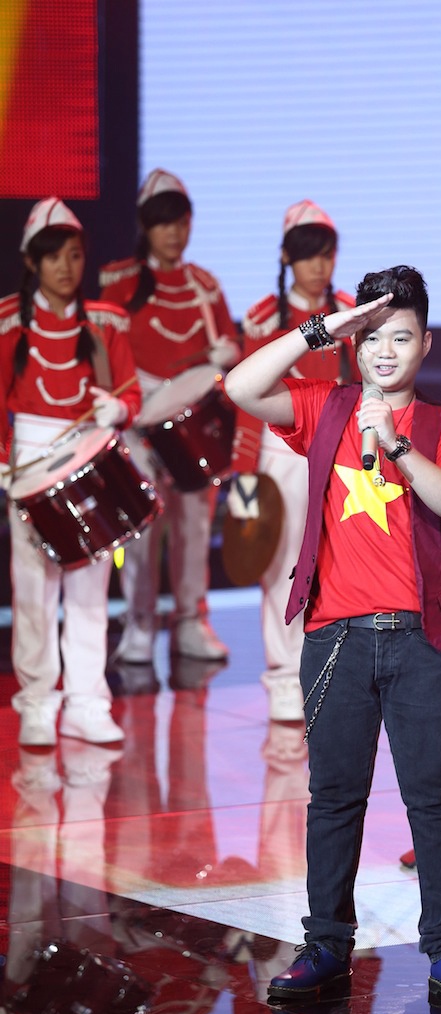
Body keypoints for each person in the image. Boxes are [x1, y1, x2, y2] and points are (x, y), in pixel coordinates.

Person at [225, 265, 441, 1009]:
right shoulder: (325, 406)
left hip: (422, 640)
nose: (384, 352)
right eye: (371, 337)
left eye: (400, 337)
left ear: (425, 344)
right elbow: (241, 387)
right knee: (334, 799)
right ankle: (325, 945)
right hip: (336, 639)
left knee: (434, 801)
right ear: (353, 342)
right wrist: (317, 331)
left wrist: (396, 446)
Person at [0, 198, 141, 746]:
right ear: (31, 261)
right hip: (30, 458)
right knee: (34, 589)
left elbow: (130, 392)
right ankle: (38, 703)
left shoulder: (105, 322)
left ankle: (87, 703)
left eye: (75, 255)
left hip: (90, 455)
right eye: (54, 256)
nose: (66, 267)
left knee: (89, 588)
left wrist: (118, 409)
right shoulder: (8, 321)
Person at [99, 168, 240, 664]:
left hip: (190, 429)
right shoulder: (117, 281)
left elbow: (228, 345)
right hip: (136, 423)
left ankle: (190, 622)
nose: (174, 233)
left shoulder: (204, 286)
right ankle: (138, 624)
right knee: (140, 530)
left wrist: (227, 353)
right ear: (145, 225)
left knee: (194, 528)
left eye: (181, 222)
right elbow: (102, 351)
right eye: (163, 223)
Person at [231, 199, 358, 721]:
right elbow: (246, 404)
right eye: (307, 254)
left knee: (339, 561)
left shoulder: (351, 309)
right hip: (279, 454)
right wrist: (243, 488)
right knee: (282, 562)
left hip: (340, 452)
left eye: (326, 254)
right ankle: (284, 676)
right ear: (287, 257)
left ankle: (329, 666)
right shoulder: (264, 317)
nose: (318, 265)